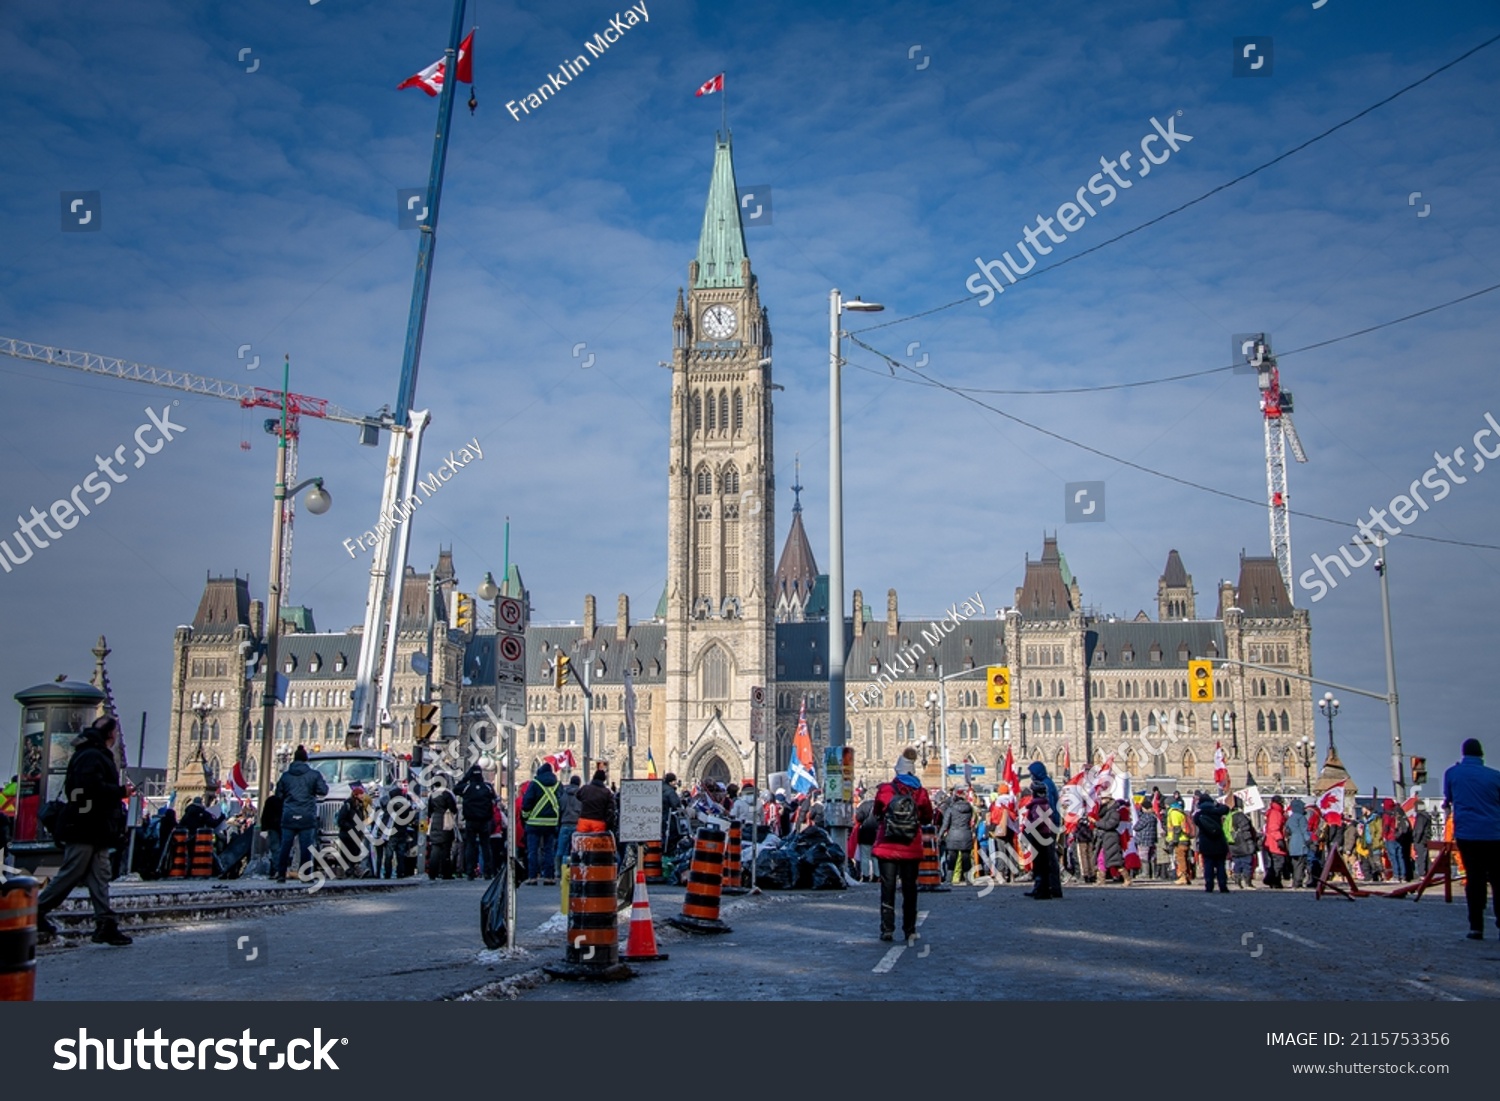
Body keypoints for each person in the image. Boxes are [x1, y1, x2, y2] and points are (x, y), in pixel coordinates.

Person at [35, 715, 131, 946]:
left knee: (100, 877)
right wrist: (119, 792)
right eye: (115, 732)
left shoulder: (92, 753)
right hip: (85, 827)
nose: (116, 736)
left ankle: (106, 925)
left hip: (95, 829)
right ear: (110, 734)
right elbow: (86, 790)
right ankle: (34, 912)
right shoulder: (91, 755)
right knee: (72, 873)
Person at [872, 748, 935, 941]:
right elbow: (927, 818)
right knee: (910, 889)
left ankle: (887, 928)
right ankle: (909, 929)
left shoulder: (886, 790)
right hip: (910, 846)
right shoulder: (921, 793)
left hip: (887, 846)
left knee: (888, 888)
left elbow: (877, 812)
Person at [1442, 738, 1500, 940]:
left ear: (1463, 753)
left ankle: (1476, 926)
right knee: (1497, 879)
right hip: (1494, 834)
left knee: (1474, 879)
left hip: (1467, 834)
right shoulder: (1495, 776)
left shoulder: (1452, 773)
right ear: (1481, 754)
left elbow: (1449, 798)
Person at [274, 745, 328, 883]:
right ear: (306, 760)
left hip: (289, 815)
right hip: (306, 815)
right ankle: (305, 875)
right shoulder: (314, 775)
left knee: (285, 846)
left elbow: (278, 795)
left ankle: (281, 874)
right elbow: (323, 791)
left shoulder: (285, 776)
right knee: (306, 848)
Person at [521, 760, 563, 885]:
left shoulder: (535, 784)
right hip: (551, 823)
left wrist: (526, 817)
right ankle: (548, 877)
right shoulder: (558, 785)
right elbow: (561, 803)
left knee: (533, 850)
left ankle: (532, 876)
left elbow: (527, 802)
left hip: (534, 823)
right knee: (549, 850)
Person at [455, 765, 498, 880]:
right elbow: (495, 798)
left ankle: (470, 872)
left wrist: (466, 777)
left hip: (471, 820)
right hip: (484, 820)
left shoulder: (467, 787)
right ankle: (488, 872)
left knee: (470, 845)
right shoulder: (487, 787)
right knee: (485, 846)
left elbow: (456, 788)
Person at [1023, 779, 1063, 900]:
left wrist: (1029, 828)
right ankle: (1043, 889)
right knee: (1044, 864)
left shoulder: (1037, 805)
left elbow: (1038, 821)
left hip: (1039, 836)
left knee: (1040, 865)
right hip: (1046, 835)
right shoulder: (1045, 804)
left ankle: (1042, 890)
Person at [1194, 793, 1230, 893]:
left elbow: (1195, 822)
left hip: (1206, 842)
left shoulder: (1198, 815)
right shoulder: (1217, 812)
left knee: (1208, 865)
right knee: (1220, 865)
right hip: (1219, 841)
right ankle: (1223, 886)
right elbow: (1226, 808)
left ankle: (1209, 886)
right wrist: (1217, 804)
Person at [939, 788, 976, 884]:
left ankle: (948, 879)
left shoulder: (950, 809)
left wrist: (939, 836)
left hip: (953, 835)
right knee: (966, 858)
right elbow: (971, 821)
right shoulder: (969, 808)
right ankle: (968, 879)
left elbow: (945, 825)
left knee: (952, 858)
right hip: (966, 834)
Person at [425, 785, 458, 880]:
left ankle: (432, 873)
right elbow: (453, 808)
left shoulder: (432, 795)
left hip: (434, 822)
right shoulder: (447, 794)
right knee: (446, 850)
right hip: (445, 822)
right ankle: (446, 873)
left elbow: (429, 810)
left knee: (435, 849)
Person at [1227, 795, 1259, 889]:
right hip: (1243, 843)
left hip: (1232, 843)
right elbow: (1246, 829)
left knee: (1237, 863)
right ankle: (1247, 882)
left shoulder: (1229, 816)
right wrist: (1250, 842)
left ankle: (1238, 881)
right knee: (1247, 863)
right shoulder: (1240, 816)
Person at [556, 774, 583, 877]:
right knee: (576, 850)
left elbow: (560, 808)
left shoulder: (563, 794)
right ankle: (574, 871)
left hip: (564, 824)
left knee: (561, 850)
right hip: (577, 825)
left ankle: (559, 872)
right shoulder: (581, 795)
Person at [575, 769, 617, 835]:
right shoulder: (607, 792)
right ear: (604, 779)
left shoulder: (585, 788)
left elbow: (578, 796)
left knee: (582, 843)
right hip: (598, 822)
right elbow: (611, 810)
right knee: (597, 844)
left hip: (584, 820)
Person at [1094, 795, 1125, 884]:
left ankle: (1127, 878)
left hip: (1111, 837)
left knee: (1115, 861)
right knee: (1101, 859)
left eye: (1103, 798)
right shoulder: (1105, 811)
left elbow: (1110, 825)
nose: (1102, 800)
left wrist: (1097, 823)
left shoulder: (1114, 812)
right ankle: (1101, 879)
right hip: (1105, 837)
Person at [1382, 798, 1413, 882]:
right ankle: (1403, 876)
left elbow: (1386, 826)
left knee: (1393, 857)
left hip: (1390, 837)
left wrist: (1384, 836)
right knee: (1400, 856)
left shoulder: (1387, 814)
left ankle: (1396, 875)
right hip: (1398, 837)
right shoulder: (1396, 812)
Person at [1166, 794, 1193, 884]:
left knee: (1180, 858)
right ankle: (1187, 877)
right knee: (1185, 859)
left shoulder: (1174, 813)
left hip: (1180, 839)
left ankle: (1183, 877)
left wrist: (1174, 840)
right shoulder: (1180, 811)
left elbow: (1176, 828)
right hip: (1184, 838)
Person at [1286, 798, 1312, 888]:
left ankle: (1294, 881)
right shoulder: (1301, 817)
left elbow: (1287, 830)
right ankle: (1298, 882)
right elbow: (1304, 830)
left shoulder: (1290, 818)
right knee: (1301, 864)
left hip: (1293, 841)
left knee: (1295, 864)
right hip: (1300, 841)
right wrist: (1309, 840)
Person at [1263, 795, 1288, 887]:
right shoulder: (1276, 813)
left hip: (1271, 841)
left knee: (1275, 862)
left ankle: (1273, 880)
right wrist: (1279, 839)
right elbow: (1274, 828)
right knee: (1278, 862)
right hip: (1274, 842)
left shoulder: (1275, 812)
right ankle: (1274, 880)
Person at [853, 796, 879, 882]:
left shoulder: (864, 805)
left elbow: (859, 818)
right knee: (875, 856)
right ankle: (876, 875)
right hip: (877, 833)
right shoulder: (880, 805)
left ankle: (866, 876)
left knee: (865, 856)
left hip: (865, 833)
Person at [259, 788, 284, 876]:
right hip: (284, 827)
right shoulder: (288, 801)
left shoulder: (270, 800)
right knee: (282, 849)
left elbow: (265, 815)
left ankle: (276, 870)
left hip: (273, 828)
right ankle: (279, 869)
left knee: (275, 849)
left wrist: (263, 829)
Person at [1412, 802, 1435, 879]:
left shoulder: (1421, 817)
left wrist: (1416, 840)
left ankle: (1422, 874)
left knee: (1421, 857)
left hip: (1421, 840)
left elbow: (1419, 830)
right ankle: (1429, 873)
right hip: (1425, 839)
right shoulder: (1427, 816)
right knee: (1426, 857)